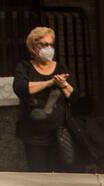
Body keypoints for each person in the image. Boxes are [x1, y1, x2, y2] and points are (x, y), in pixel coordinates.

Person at [12, 26, 74, 172]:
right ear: (33, 47)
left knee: (60, 173)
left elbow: (74, 94)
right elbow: (20, 88)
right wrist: (49, 83)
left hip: (58, 133)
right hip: (33, 135)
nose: (48, 48)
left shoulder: (60, 67)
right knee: (38, 174)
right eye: (44, 44)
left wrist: (64, 84)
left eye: (51, 44)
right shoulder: (25, 67)